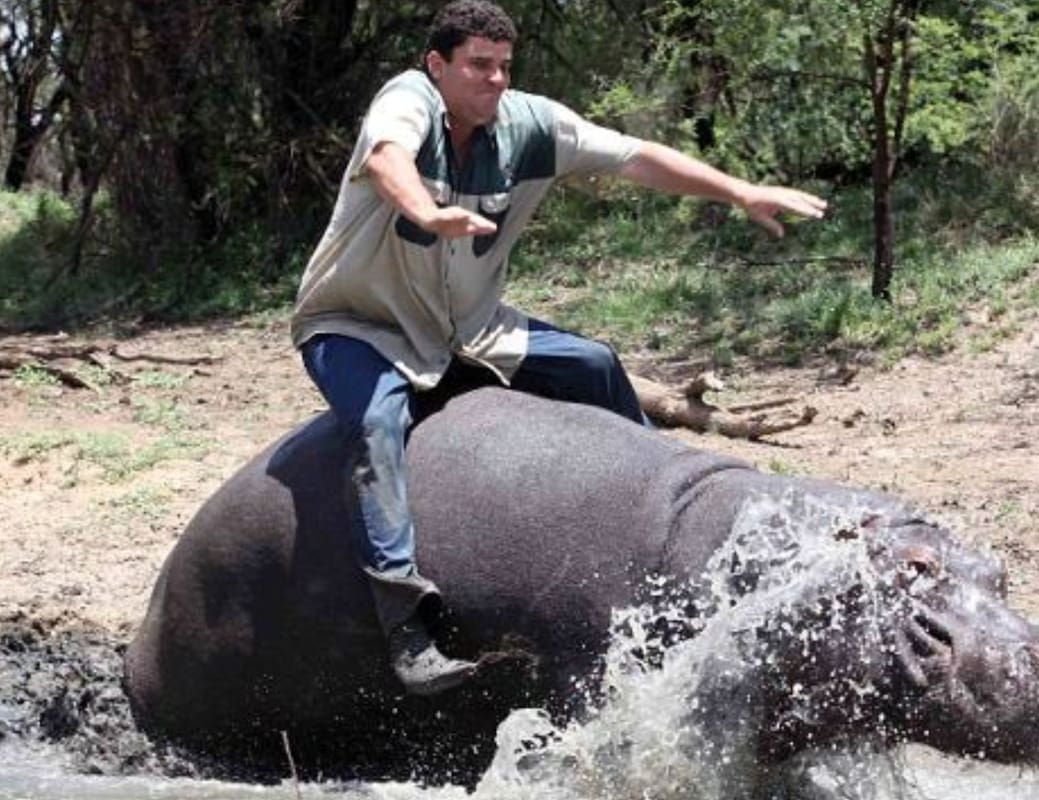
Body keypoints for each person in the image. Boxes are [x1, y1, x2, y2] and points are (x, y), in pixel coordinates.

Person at [291, 0, 826, 697]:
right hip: (358, 323)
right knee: (374, 424)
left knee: (596, 363)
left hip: (470, 332)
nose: (494, 80)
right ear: (438, 65)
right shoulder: (407, 101)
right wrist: (424, 210)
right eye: (478, 65)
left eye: (504, 66)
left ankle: (680, 520)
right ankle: (405, 624)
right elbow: (390, 158)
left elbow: (636, 159)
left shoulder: (530, 127)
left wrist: (737, 190)